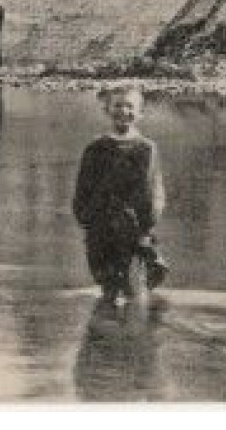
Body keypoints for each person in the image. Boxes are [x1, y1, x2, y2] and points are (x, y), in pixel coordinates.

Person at [72, 86, 169, 303]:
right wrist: (86, 218)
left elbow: (152, 190)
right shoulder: (95, 148)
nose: (124, 111)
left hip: (132, 228)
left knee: (130, 290)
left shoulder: (146, 149)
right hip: (100, 226)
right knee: (106, 285)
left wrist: (146, 225)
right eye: (117, 105)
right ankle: (103, 331)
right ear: (107, 110)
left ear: (140, 113)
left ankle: (129, 331)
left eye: (130, 106)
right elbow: (83, 188)